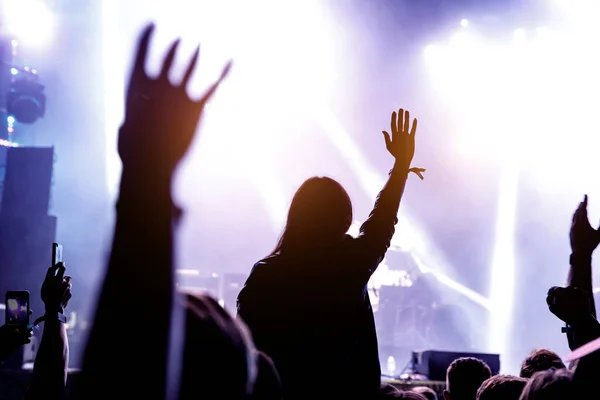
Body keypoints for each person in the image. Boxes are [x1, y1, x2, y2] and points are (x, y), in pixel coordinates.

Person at [237, 108, 425, 399]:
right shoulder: (350, 262)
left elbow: (248, 345)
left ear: (296, 216)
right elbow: (382, 218)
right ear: (344, 219)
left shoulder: (266, 272)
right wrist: (400, 167)